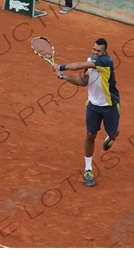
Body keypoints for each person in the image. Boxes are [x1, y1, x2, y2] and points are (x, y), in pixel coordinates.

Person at [52, 38, 120, 187]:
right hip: (93, 105)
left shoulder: (106, 61)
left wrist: (61, 67)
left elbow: (78, 66)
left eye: (99, 51)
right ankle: (88, 169)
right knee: (90, 135)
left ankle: (113, 135)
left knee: (113, 133)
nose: (95, 52)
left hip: (110, 106)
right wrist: (64, 76)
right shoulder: (91, 59)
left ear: (105, 52)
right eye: (94, 49)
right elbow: (84, 82)